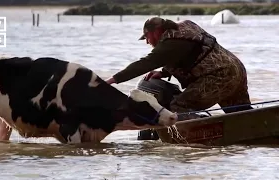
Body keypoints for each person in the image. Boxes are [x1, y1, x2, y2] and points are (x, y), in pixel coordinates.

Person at [105, 17, 253, 142]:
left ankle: (203, 137)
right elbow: (191, 52)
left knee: (179, 107)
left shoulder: (170, 42)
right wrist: (163, 72)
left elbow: (144, 64)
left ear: (156, 32)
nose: (147, 42)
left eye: (147, 37)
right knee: (243, 115)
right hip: (235, 69)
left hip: (218, 76)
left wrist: (111, 81)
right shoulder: (184, 27)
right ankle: (258, 137)